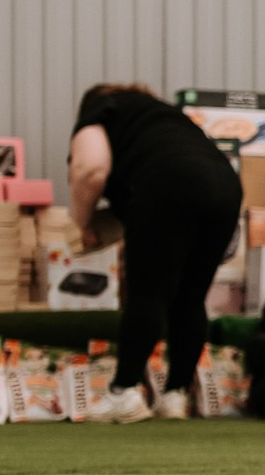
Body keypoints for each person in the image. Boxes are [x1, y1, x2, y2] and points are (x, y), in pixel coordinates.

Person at [68, 83, 244, 422]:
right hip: (225, 186)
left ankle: (124, 391)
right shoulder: (166, 117)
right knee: (191, 297)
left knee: (148, 293)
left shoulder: (103, 109)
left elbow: (89, 170)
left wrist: (83, 223)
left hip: (167, 184)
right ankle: (175, 395)